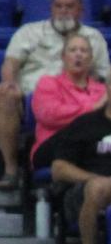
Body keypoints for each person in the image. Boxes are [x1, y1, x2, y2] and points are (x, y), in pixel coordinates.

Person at [0, 0, 108, 189]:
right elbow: (10, 63)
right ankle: (11, 169)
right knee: (5, 94)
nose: (63, 11)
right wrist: (10, 83)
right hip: (32, 96)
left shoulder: (93, 36)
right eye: (58, 6)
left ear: (81, 10)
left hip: (78, 94)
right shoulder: (29, 32)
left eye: (70, 6)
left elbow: (104, 74)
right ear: (51, 9)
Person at [40, 88, 111, 244]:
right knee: (97, 188)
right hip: (84, 193)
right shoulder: (86, 124)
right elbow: (58, 168)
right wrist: (95, 180)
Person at [30, 33, 107, 166]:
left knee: (104, 147)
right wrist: (94, 108)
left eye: (84, 50)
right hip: (53, 147)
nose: (78, 54)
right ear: (63, 57)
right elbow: (50, 115)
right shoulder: (48, 83)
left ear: (91, 58)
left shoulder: (103, 90)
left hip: (93, 147)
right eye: (72, 50)